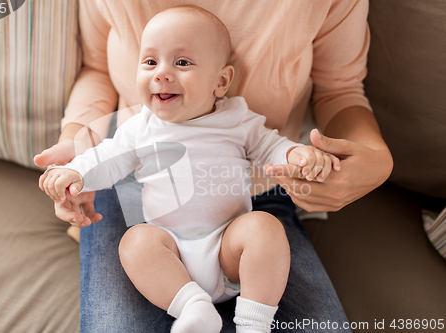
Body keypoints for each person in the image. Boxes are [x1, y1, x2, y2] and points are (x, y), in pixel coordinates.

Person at [34, 0, 393, 332]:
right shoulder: (139, 127)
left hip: (230, 242)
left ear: (221, 81)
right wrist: (76, 171)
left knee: (264, 230)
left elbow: (274, 145)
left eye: (182, 63)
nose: (161, 74)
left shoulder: (238, 119)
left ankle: (254, 320)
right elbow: (107, 157)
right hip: (167, 247)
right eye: (149, 62)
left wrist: (300, 157)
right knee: (135, 244)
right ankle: (193, 307)